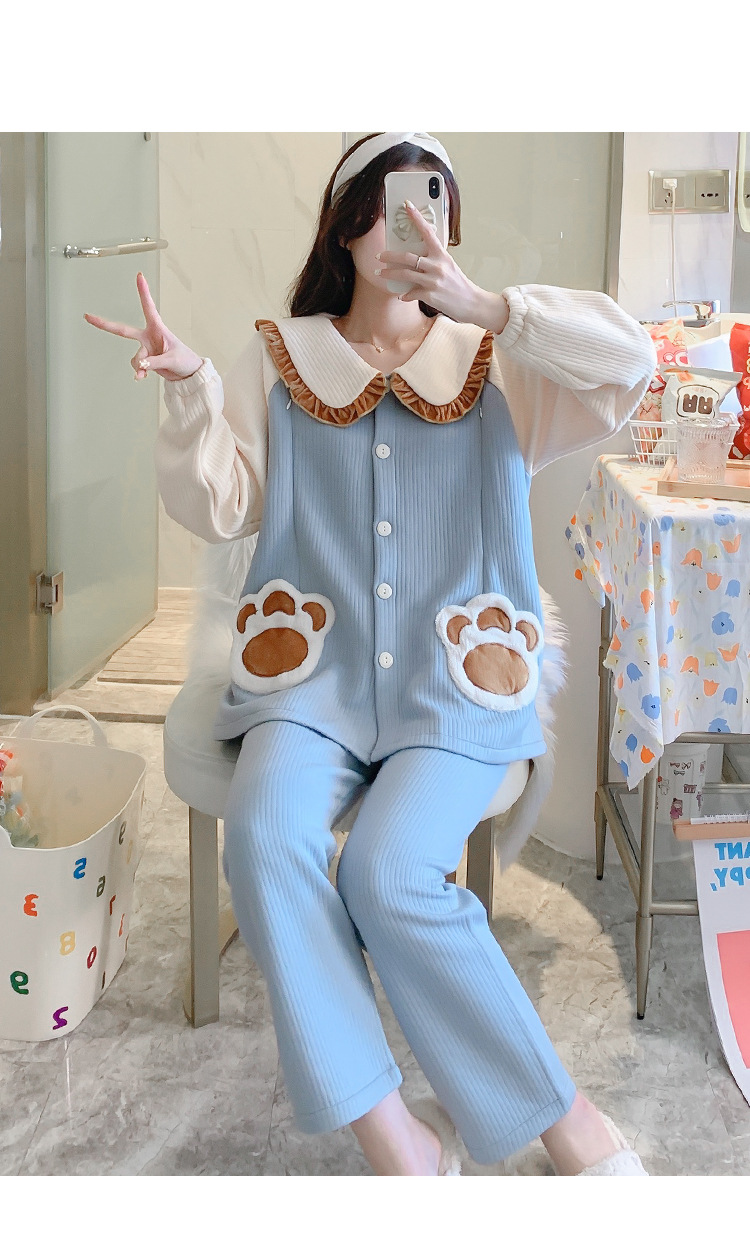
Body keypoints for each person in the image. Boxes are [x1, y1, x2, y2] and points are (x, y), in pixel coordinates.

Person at [85, 132, 657, 1176]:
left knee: (389, 873)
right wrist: (192, 389)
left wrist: (489, 305)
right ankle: (400, 1143)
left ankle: (568, 1119)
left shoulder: (497, 361)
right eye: (393, 207)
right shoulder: (283, 358)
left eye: (434, 207)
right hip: (313, 685)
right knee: (265, 836)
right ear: (349, 224)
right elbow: (221, 507)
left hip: (457, 690)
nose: (412, 228)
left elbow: (633, 363)